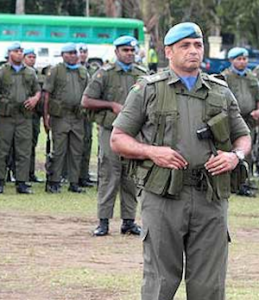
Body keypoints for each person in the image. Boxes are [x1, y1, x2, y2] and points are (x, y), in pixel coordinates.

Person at [110, 23, 251, 300]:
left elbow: (243, 136)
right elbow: (118, 138)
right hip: (163, 196)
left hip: (211, 196)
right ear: (168, 52)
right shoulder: (148, 89)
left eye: (197, 45)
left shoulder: (220, 91)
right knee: (160, 280)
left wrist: (235, 156)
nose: (193, 51)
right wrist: (152, 151)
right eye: (185, 46)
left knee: (209, 283)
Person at [81, 35, 147, 236]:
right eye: (125, 50)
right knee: (109, 174)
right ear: (116, 52)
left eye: (132, 50)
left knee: (131, 177)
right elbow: (86, 100)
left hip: (134, 134)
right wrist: (111, 105)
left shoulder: (142, 75)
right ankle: (103, 221)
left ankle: (128, 221)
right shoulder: (105, 74)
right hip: (110, 131)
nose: (129, 54)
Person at [43, 43, 88, 193]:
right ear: (62, 55)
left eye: (74, 53)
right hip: (60, 116)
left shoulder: (83, 71)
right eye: (69, 53)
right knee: (59, 150)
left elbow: (88, 93)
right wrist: (46, 117)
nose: (72, 55)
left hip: (77, 116)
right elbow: (47, 94)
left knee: (76, 151)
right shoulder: (56, 70)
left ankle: (74, 182)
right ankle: (55, 181)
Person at [0, 42, 41, 194]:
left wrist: (35, 99)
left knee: (23, 150)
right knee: (2, 150)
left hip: (24, 117)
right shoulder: (3, 71)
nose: (19, 53)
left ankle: (22, 182)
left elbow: (37, 90)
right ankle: (0, 181)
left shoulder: (30, 72)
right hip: (6, 117)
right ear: (9, 53)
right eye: (16, 51)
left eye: (21, 51)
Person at [222, 47, 259, 196]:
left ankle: (245, 181)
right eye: (239, 59)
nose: (242, 62)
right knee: (230, 149)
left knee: (247, 150)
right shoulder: (226, 77)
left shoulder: (251, 77)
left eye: (244, 59)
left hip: (249, 119)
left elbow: (257, 97)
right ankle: (230, 182)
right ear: (231, 61)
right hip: (230, 119)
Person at [77, 43, 98, 187]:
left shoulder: (93, 70)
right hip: (74, 114)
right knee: (74, 146)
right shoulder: (73, 70)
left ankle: (84, 175)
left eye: (85, 51)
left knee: (87, 144)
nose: (83, 54)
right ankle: (72, 175)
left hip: (87, 115)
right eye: (80, 52)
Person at [23, 48, 44, 183]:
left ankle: (30, 173)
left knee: (31, 145)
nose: (32, 59)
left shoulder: (36, 74)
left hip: (34, 116)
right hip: (21, 115)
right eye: (29, 57)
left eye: (34, 57)